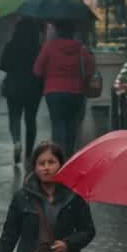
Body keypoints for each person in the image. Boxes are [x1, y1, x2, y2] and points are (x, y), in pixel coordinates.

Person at [34, 20, 95, 156]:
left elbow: (37, 70)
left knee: (57, 125)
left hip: (53, 92)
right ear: (73, 32)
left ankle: (59, 157)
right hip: (76, 92)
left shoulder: (49, 47)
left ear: (57, 31)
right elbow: (90, 70)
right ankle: (69, 154)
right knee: (72, 125)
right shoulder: (81, 48)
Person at [0, 18, 44, 166]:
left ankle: (17, 141)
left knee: (14, 116)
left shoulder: (11, 46)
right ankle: (29, 153)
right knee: (31, 119)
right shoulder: (38, 48)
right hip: (34, 87)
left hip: (14, 86)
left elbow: (3, 66)